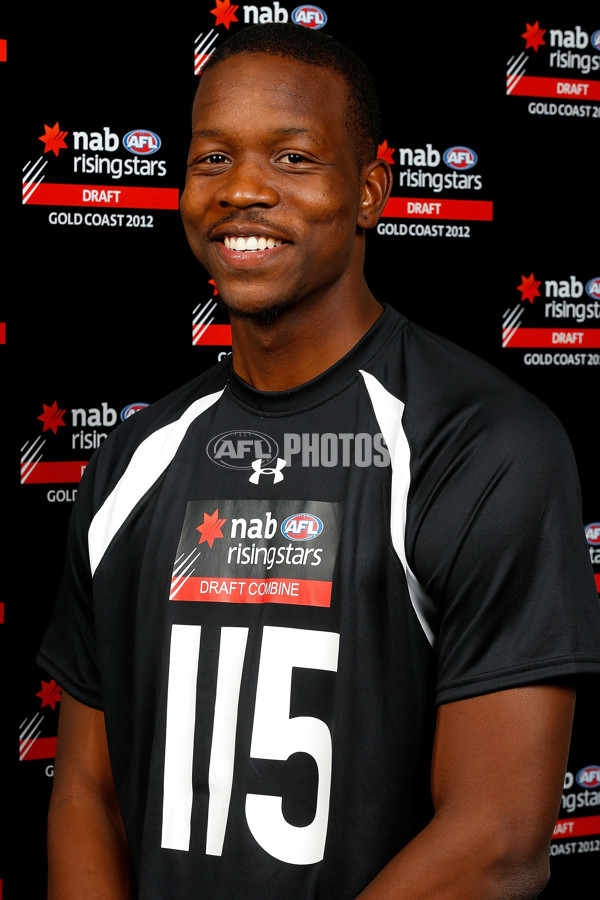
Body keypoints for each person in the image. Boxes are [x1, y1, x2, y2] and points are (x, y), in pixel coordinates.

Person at [38, 23, 600, 900]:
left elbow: (496, 840)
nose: (243, 191)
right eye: (212, 159)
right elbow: (87, 791)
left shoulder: (484, 445)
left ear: (370, 191)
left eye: (293, 159)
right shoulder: (132, 460)